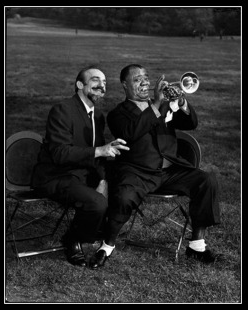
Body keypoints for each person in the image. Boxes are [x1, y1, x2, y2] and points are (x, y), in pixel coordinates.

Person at [89, 64, 222, 269]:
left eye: (146, 77)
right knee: (123, 198)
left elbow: (191, 123)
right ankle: (107, 246)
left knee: (207, 180)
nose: (144, 82)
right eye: (137, 79)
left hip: (169, 171)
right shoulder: (118, 113)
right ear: (125, 85)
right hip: (137, 171)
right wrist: (157, 104)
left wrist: (182, 102)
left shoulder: (165, 105)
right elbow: (131, 132)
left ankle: (197, 246)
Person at [31, 66, 129, 267]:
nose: (102, 86)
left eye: (104, 82)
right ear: (79, 85)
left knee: (124, 185)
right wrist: (99, 151)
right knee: (97, 203)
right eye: (95, 80)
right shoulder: (62, 110)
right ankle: (72, 239)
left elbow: (98, 156)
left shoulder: (98, 116)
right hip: (56, 176)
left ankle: (98, 227)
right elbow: (59, 153)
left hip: (82, 174)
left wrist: (103, 181)